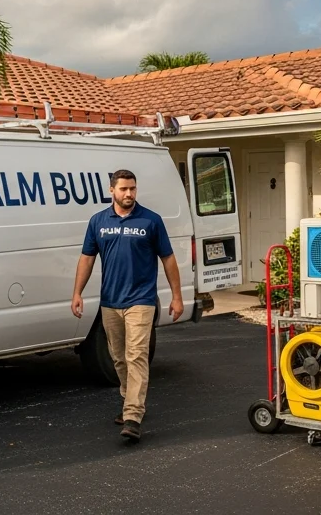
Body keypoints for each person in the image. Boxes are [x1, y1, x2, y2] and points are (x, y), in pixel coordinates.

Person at [71, 168, 182, 441]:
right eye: (123, 189)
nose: (129, 193)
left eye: (132, 188)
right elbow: (87, 258)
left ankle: (133, 415)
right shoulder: (98, 221)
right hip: (110, 301)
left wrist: (176, 297)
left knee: (136, 356)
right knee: (118, 358)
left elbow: (168, 259)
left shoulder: (150, 221)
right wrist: (77, 293)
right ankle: (128, 399)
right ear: (112, 191)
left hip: (141, 301)